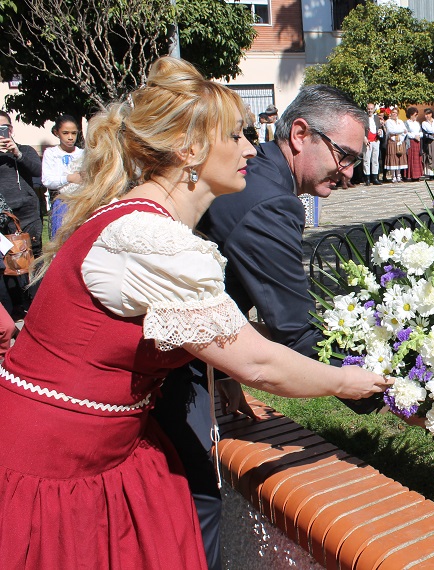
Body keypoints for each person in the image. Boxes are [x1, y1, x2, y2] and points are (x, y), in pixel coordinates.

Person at [0, 57, 391, 568]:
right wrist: (349, 381)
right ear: (190, 150)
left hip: (98, 445)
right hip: (56, 462)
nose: (251, 148)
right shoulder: (154, 241)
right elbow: (259, 363)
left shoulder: (142, 220)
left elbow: (208, 331)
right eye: (236, 135)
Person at [153, 83, 377, 569]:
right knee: (197, 510)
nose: (349, 173)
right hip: (161, 379)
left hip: (182, 360)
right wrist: (383, 393)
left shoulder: (256, 184)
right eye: (344, 156)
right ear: (300, 134)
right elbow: (294, 331)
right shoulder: (267, 201)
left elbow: (219, 290)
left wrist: (223, 373)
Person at [0, 110, 42, 317]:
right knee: (8, 262)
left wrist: (18, 154)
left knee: (34, 259)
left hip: (28, 215)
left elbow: (39, 171)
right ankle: (17, 305)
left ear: (11, 129)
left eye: (3, 127)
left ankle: (39, 303)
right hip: (4, 218)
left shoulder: (24, 150)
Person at [41, 114, 85, 237]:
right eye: (65, 133)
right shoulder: (51, 153)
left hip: (81, 202)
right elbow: (47, 180)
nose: (70, 137)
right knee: (62, 238)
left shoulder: (83, 153)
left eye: (74, 133)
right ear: (57, 133)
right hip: (62, 202)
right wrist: (69, 178)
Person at [384, 107, 407, 183]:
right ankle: (393, 176)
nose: (394, 114)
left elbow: (405, 131)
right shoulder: (388, 121)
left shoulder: (400, 121)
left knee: (399, 158)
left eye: (396, 113)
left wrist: (401, 138)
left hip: (400, 141)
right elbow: (391, 131)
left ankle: (399, 176)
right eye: (393, 112)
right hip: (392, 141)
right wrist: (401, 131)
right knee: (393, 159)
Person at [363, 102, 383, 185]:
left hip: (375, 141)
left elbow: (379, 128)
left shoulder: (376, 118)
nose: (370, 110)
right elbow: (361, 129)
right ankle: (367, 179)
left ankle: (375, 178)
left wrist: (380, 131)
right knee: (366, 160)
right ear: (366, 109)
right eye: (368, 109)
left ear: (374, 109)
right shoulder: (364, 118)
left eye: (371, 109)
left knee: (375, 160)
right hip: (367, 141)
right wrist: (364, 138)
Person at [404, 106, 424, 181]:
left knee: (417, 159)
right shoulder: (406, 123)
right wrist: (414, 136)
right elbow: (406, 133)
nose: (416, 116)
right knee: (411, 159)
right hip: (411, 142)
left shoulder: (417, 123)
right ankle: (412, 175)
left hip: (417, 142)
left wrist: (418, 136)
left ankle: (417, 175)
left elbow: (421, 132)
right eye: (415, 115)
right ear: (411, 114)